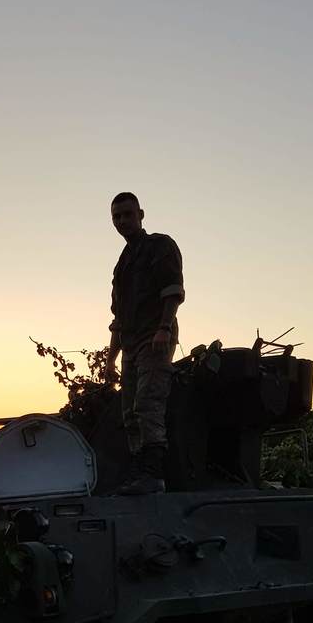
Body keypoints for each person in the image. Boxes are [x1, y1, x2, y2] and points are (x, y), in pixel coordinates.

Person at [104, 191, 184, 493]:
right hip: (130, 342)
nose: (122, 220)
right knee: (129, 412)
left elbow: (172, 291)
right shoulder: (122, 264)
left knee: (148, 403)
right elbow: (118, 318)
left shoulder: (160, 246)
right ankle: (138, 471)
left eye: (127, 214)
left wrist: (164, 328)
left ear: (140, 215)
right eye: (117, 216)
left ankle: (154, 474)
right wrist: (110, 359)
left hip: (154, 338)